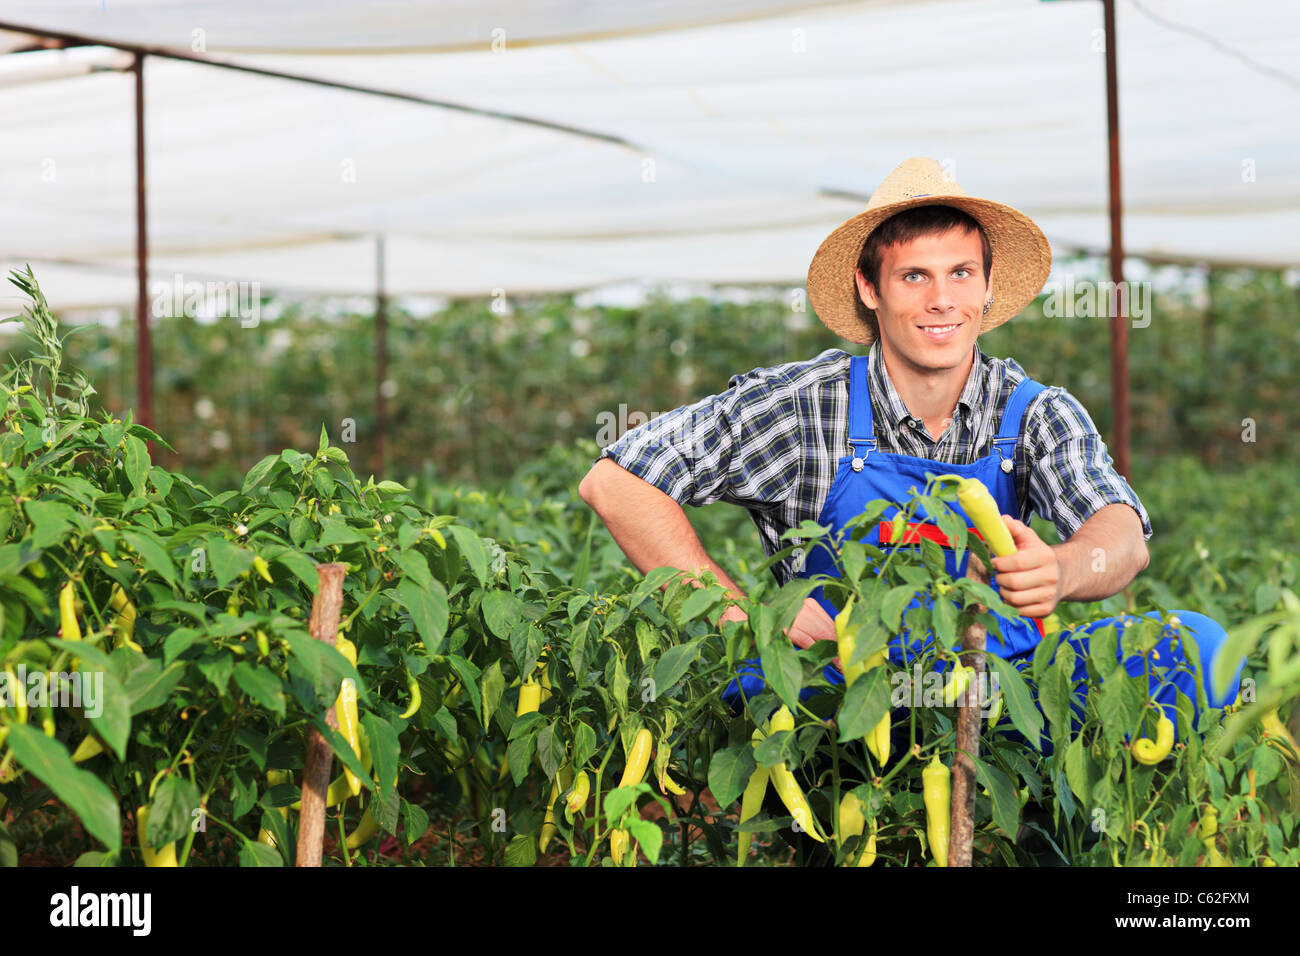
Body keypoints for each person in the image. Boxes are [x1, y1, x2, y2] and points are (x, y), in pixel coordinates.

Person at [578, 156, 1243, 774]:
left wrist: (1065, 569)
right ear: (870, 288)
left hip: (999, 694)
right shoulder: (805, 403)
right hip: (837, 697)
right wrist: (735, 611)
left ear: (986, 288)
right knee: (735, 681)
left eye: (960, 273)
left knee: (1198, 648)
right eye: (914, 276)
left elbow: (1121, 536)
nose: (941, 300)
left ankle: (1084, 826)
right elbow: (616, 481)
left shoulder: (1032, 411)